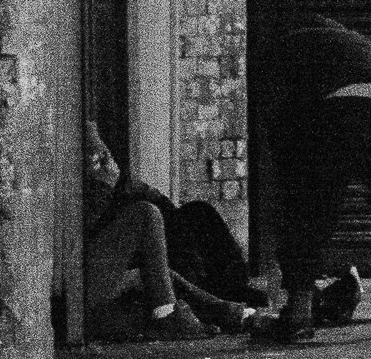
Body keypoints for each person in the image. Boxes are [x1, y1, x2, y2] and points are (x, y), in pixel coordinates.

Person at [257, 12, 371, 344]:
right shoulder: (353, 41)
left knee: (312, 207)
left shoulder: (283, 47)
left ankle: (300, 317)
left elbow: (282, 120)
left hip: (342, 102)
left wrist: (290, 172)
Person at [80, 123, 254, 339]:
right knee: (147, 214)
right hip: (83, 284)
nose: (103, 160)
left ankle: (232, 311)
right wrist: (105, 186)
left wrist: (116, 182)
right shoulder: (78, 190)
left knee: (196, 213)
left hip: (128, 261)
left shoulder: (110, 180)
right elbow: (84, 233)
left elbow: (152, 199)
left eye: (103, 155)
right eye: (97, 157)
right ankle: (170, 314)